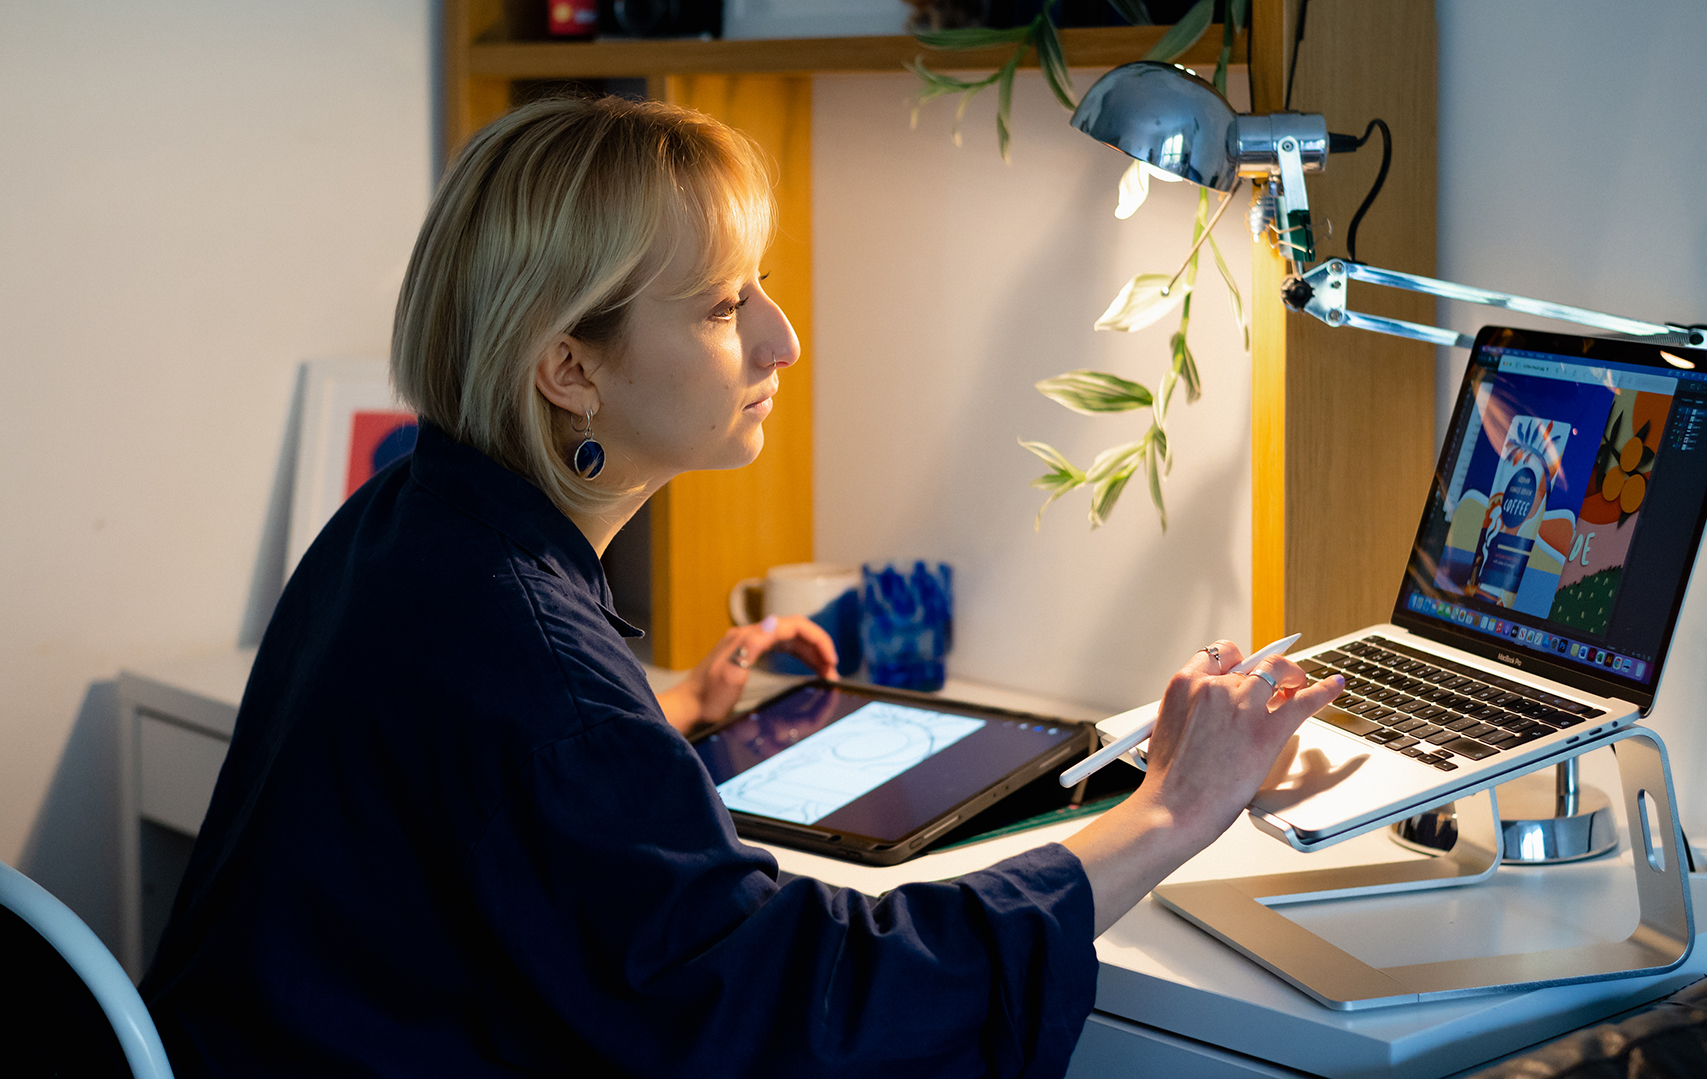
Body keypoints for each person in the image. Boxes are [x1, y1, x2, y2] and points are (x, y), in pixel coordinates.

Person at [141, 94, 1343, 1078]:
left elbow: (461, 786)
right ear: (569, 367)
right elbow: (794, 1011)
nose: (782, 340)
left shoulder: (407, 524)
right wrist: (1171, 811)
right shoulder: (537, 668)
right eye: (725, 305)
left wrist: (655, 719)